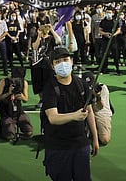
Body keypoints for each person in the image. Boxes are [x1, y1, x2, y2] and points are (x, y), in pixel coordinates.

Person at [42, 46, 99, 181]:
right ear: (52, 66)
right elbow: (52, 117)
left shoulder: (81, 85)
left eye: (65, 60)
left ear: (72, 61)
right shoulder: (50, 88)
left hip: (80, 145)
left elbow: (89, 111)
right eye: (58, 62)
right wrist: (75, 115)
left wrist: (95, 138)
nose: (63, 64)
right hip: (58, 147)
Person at [0, 66, 33, 141]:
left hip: (18, 111)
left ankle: (14, 124)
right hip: (6, 111)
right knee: (10, 136)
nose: (16, 81)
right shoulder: (4, 82)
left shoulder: (24, 82)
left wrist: (22, 96)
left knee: (29, 132)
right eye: (15, 79)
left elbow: (26, 99)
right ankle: (4, 126)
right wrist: (8, 93)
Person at [82, 71, 112, 145]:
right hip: (87, 111)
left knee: (105, 140)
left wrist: (97, 96)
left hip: (101, 112)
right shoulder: (81, 88)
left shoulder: (102, 88)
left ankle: (96, 130)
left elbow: (100, 107)